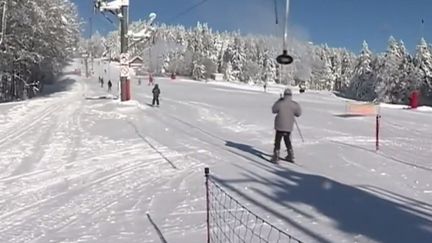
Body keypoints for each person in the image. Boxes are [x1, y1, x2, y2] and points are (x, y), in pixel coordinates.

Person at [271, 88, 302, 163]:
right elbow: (299, 113)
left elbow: (274, 110)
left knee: (278, 140)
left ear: (284, 95)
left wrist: (279, 100)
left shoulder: (280, 103)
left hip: (279, 125)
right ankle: (290, 154)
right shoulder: (294, 104)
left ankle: (276, 154)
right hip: (289, 126)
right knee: (287, 139)